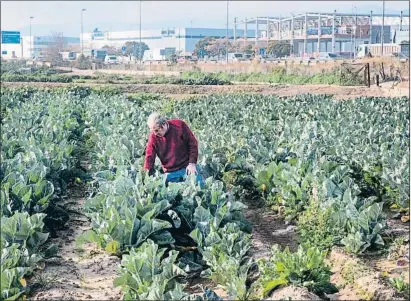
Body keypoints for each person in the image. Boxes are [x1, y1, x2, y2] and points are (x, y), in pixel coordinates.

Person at [143, 112, 204, 188]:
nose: (154, 134)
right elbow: (149, 157)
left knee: (200, 187)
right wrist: (145, 177)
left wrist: (192, 164)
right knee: (162, 191)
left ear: (163, 125)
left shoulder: (179, 125)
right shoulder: (153, 137)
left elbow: (193, 144)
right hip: (170, 172)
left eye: (156, 130)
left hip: (187, 167)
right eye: (153, 131)